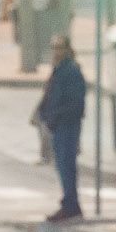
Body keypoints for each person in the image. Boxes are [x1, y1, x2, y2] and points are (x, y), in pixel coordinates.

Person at [38, 33, 88, 221]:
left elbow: (75, 102)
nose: (56, 51)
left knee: (66, 165)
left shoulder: (71, 71)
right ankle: (69, 203)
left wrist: (56, 116)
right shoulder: (59, 69)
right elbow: (51, 94)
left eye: (59, 47)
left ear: (67, 49)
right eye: (53, 47)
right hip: (58, 125)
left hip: (67, 125)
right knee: (62, 165)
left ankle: (71, 205)